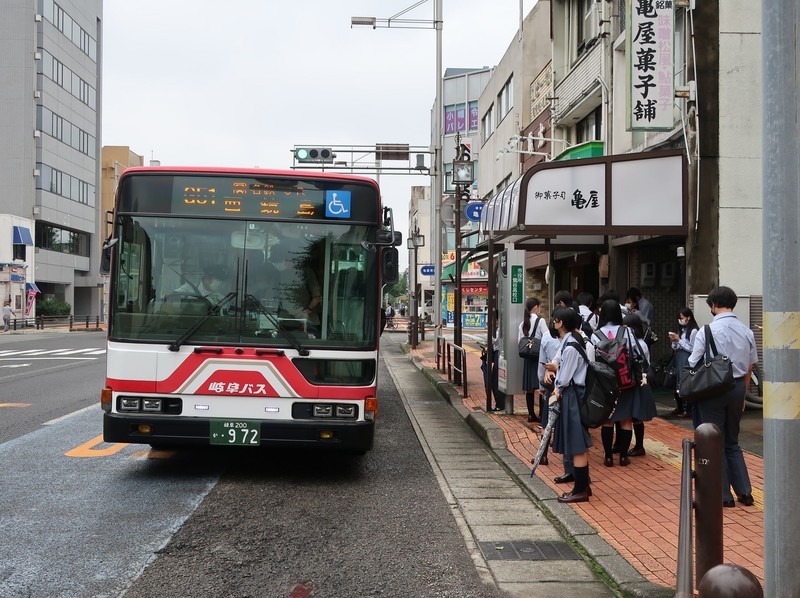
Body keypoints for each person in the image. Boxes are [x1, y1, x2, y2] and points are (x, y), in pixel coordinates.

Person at [687, 286, 756, 508]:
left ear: (714, 305)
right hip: (737, 388)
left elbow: (692, 362)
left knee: (713, 441)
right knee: (732, 441)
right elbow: (750, 367)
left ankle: (724, 495)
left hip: (713, 389)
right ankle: (745, 492)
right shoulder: (747, 331)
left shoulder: (706, 331)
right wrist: (743, 395)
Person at [548, 306, 592, 503]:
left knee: (577, 445)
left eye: (554, 319)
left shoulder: (572, 345)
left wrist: (557, 386)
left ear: (560, 323)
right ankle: (583, 487)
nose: (553, 322)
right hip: (573, 395)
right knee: (577, 444)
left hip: (573, 396)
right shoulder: (571, 341)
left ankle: (580, 490)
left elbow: (565, 378)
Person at [591, 299, 637, 467]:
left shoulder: (596, 335)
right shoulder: (627, 332)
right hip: (625, 381)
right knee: (625, 419)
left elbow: (592, 360)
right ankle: (623, 457)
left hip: (605, 383)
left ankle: (608, 456)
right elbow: (635, 353)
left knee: (607, 419)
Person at [623, 312, 658, 457]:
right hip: (641, 380)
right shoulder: (642, 343)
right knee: (637, 415)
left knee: (634, 415)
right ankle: (638, 445)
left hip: (636, 380)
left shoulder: (634, 343)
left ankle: (638, 446)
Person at [270, 241, 323, 332]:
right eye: (274, 261)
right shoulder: (277, 274)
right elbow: (271, 297)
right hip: (284, 322)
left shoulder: (305, 272)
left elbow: (317, 296)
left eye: (277, 261)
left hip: (306, 322)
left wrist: (307, 310)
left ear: (287, 259)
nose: (275, 264)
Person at [518, 297, 548, 423]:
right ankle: (541, 415)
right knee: (542, 387)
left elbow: (519, 342)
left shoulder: (522, 323)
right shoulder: (541, 321)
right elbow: (546, 338)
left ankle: (531, 415)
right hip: (539, 357)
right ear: (536, 306)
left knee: (529, 388)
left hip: (527, 358)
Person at [668, 307, 699, 418]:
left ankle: (688, 409)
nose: (680, 320)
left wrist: (679, 341)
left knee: (686, 383)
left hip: (688, 359)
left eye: (681, 318)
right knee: (678, 383)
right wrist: (674, 341)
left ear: (688, 317)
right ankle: (680, 407)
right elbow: (676, 347)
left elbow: (694, 349)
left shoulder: (694, 331)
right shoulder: (682, 330)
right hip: (679, 358)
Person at [486, 310, 506, 412]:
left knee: (496, 381)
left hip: (500, 356)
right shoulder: (499, 328)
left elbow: (493, 341)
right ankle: (500, 404)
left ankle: (500, 404)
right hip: (499, 355)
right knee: (497, 380)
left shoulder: (499, 330)